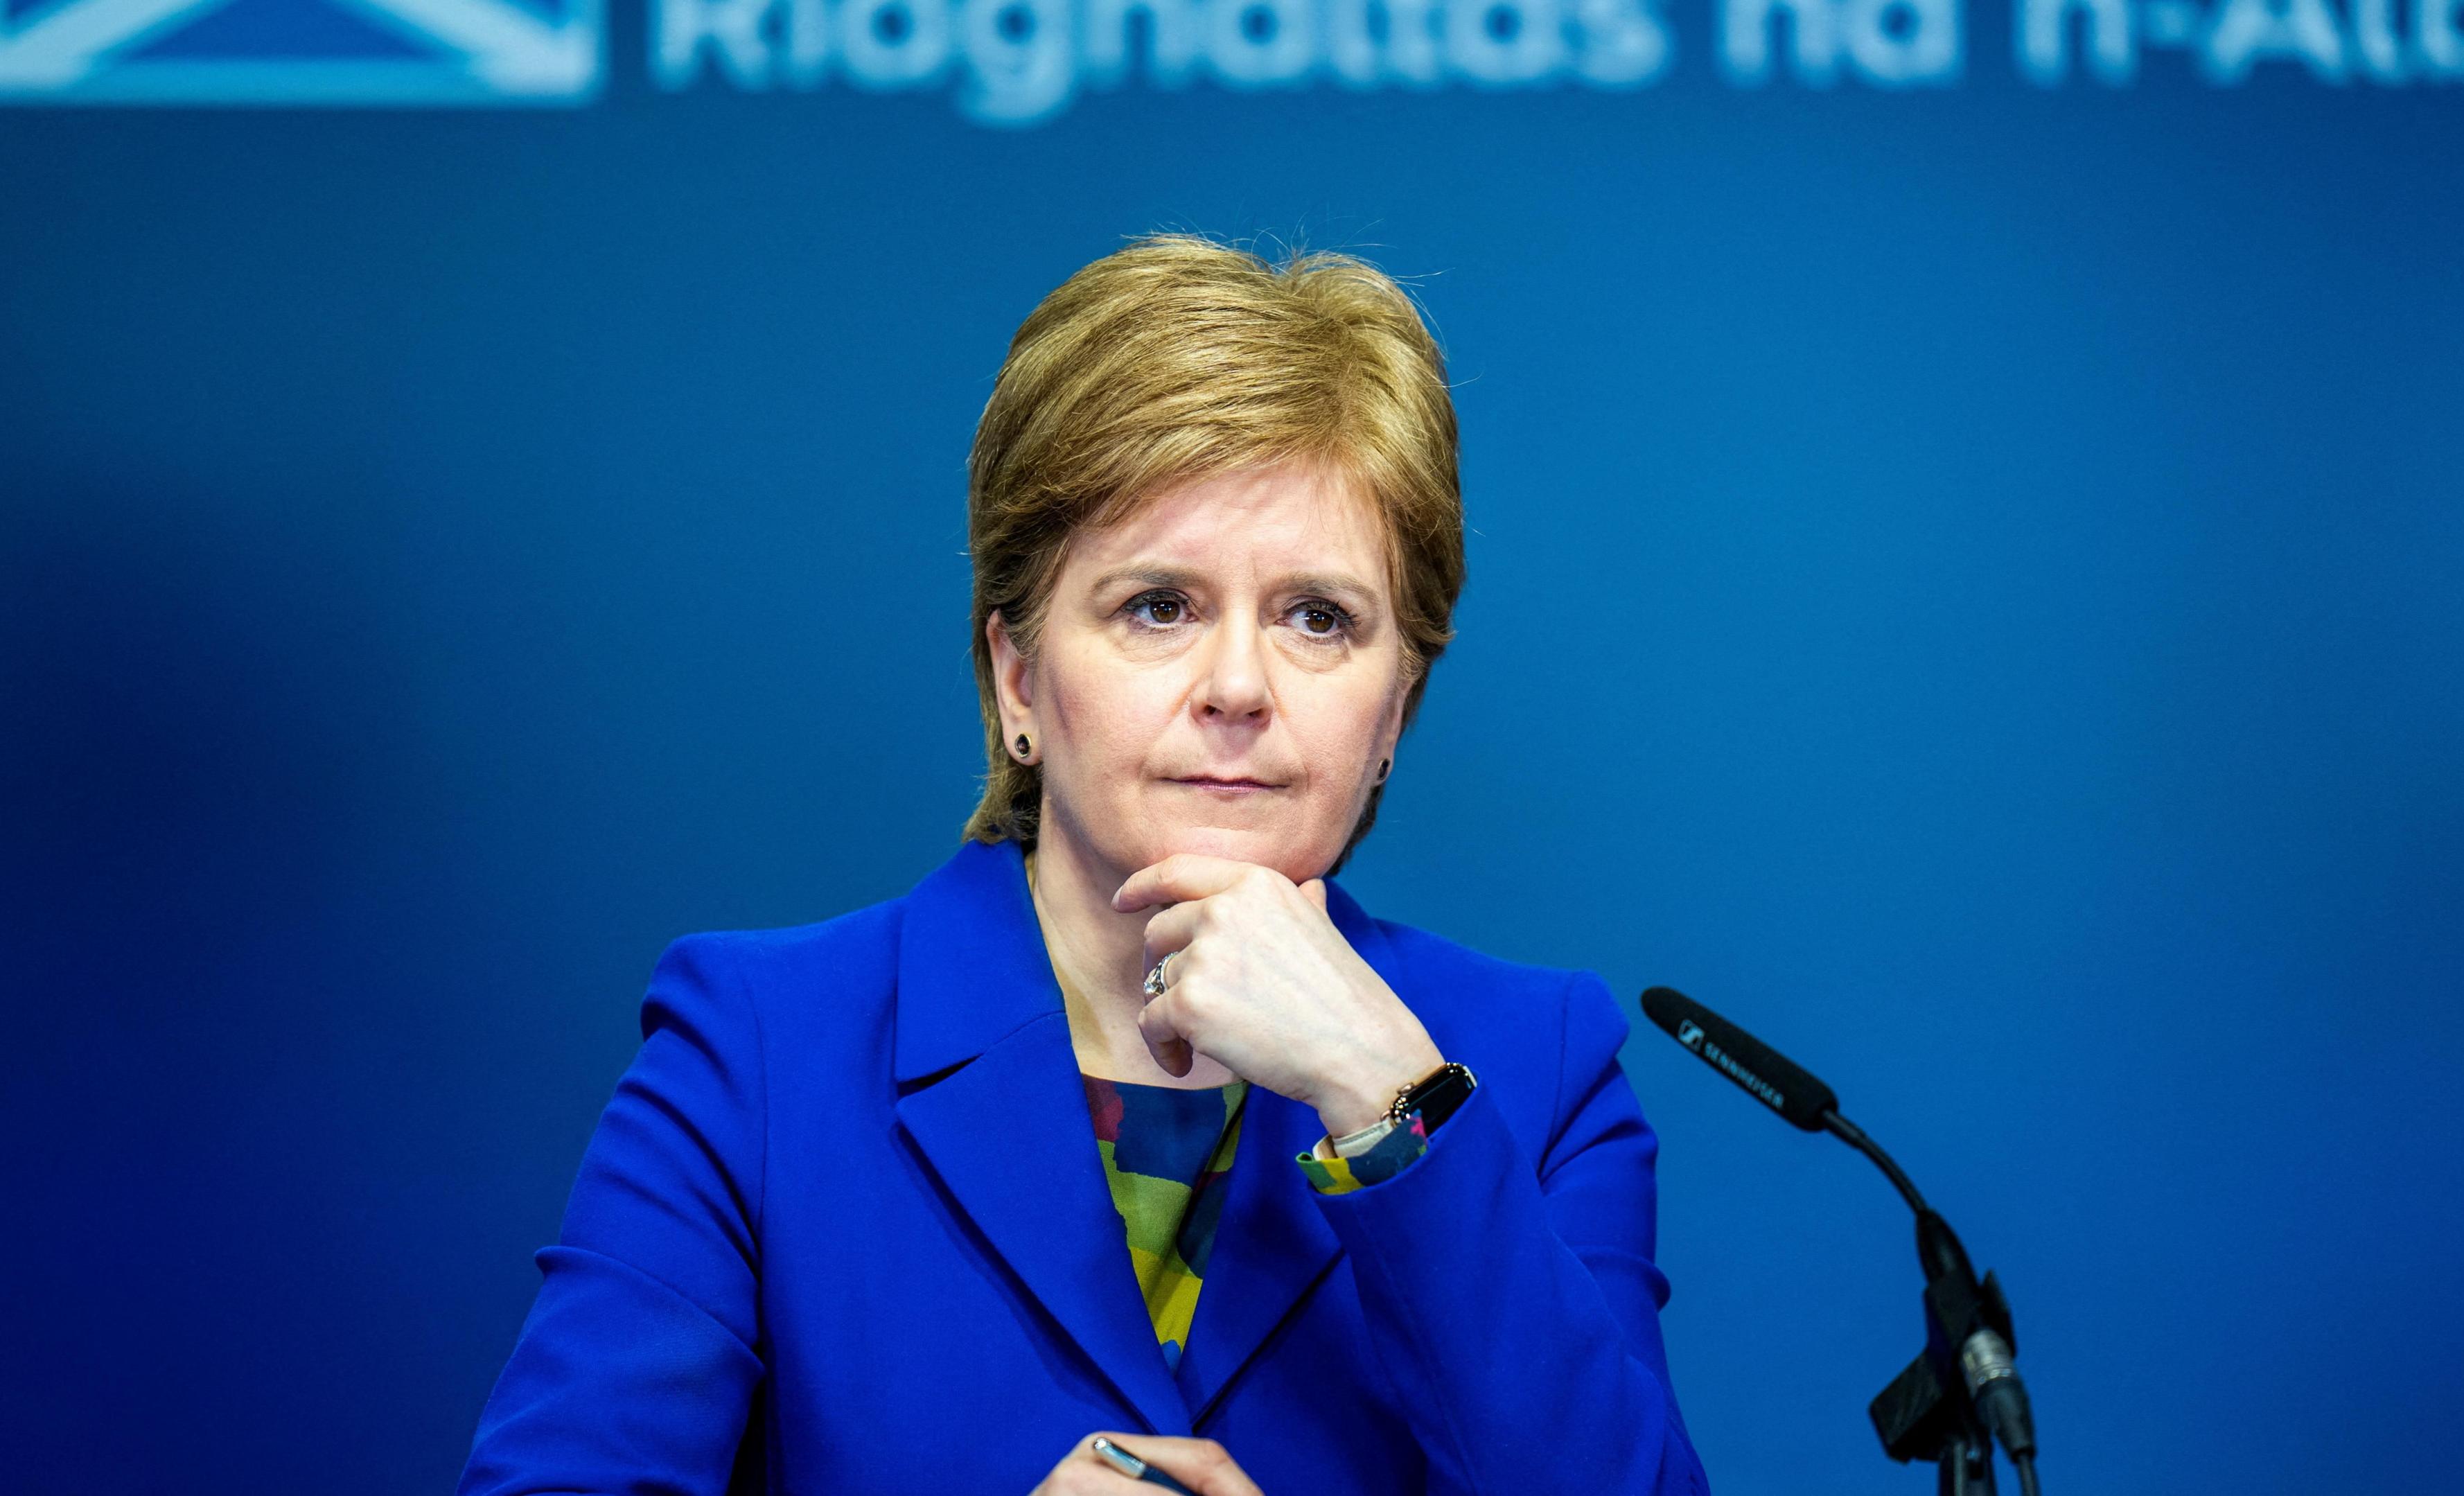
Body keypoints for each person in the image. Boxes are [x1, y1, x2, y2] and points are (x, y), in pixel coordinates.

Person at [458, 234, 1709, 1496]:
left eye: (1318, 618)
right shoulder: (764, 1051)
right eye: (1157, 606)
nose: (1237, 688)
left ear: (1394, 712)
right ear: (1017, 679)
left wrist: (1390, 1099)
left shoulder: (1535, 1072)